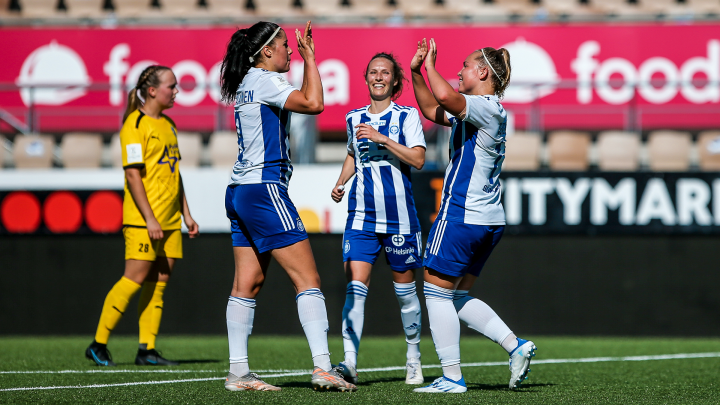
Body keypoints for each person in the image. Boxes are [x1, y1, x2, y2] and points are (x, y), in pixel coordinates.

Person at [219, 21, 356, 392]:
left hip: (240, 191)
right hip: (264, 189)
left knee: (248, 283)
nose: (289, 51)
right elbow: (315, 103)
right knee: (308, 280)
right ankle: (323, 368)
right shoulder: (265, 80)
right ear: (265, 52)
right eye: (283, 45)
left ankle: (238, 372)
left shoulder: (248, 82)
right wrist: (312, 57)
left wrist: (305, 60)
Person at [410, 38, 536, 394]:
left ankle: (452, 377)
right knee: (455, 297)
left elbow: (447, 98)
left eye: (464, 66)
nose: (459, 71)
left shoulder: (485, 107)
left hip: (463, 215)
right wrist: (418, 71)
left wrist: (431, 64)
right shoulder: (482, 110)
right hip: (488, 218)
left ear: (482, 72)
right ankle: (516, 345)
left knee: (435, 293)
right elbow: (432, 109)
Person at [86, 65, 199, 367]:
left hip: (171, 221)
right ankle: (98, 344)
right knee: (133, 279)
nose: (176, 91)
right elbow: (133, 176)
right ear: (152, 91)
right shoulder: (134, 126)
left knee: (159, 282)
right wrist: (150, 219)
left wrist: (186, 214)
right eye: (171, 86)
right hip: (143, 220)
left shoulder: (168, 124)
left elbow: (175, 173)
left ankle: (146, 349)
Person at [330, 52, 426, 386]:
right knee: (355, 288)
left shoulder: (407, 116)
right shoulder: (353, 118)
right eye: (373, 72)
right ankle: (350, 363)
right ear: (366, 78)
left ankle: (413, 355)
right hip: (361, 217)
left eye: (385, 72)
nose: (379, 77)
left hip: (399, 218)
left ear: (395, 81)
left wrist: (383, 139)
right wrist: (341, 183)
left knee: (406, 293)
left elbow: (418, 159)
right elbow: (353, 155)